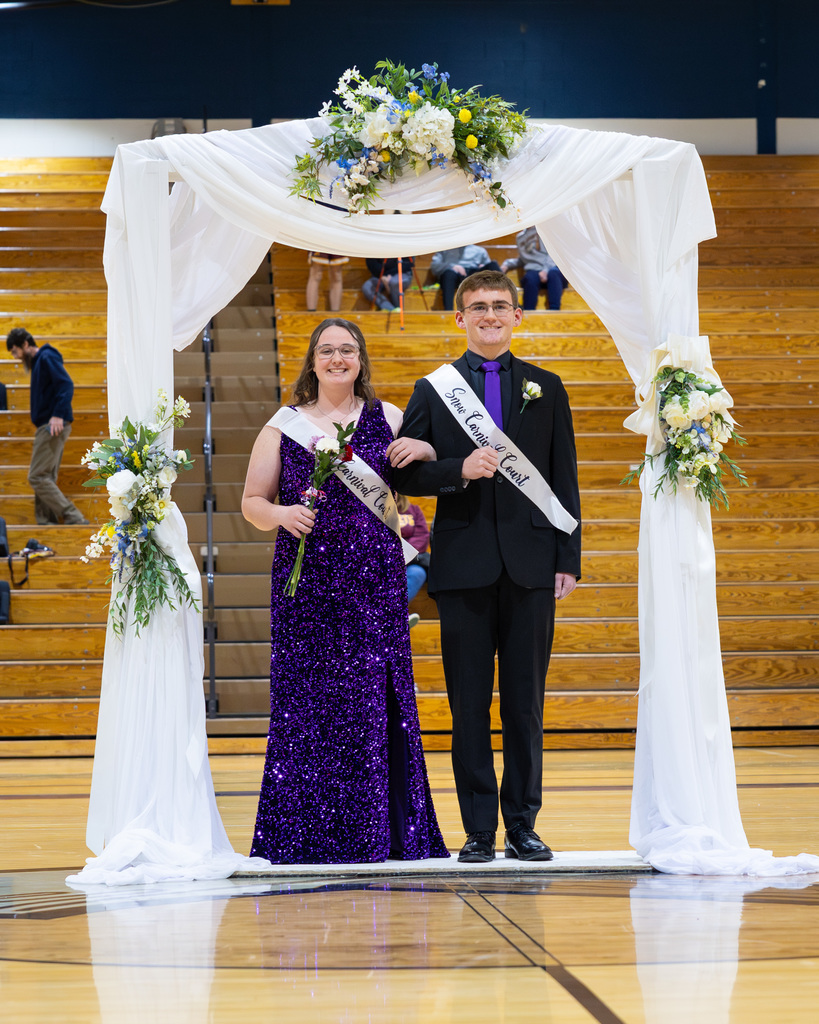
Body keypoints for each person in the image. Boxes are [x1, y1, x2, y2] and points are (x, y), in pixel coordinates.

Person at [241, 317, 449, 864]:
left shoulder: (391, 417)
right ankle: (302, 834)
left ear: (361, 360)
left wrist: (426, 453)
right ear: (312, 360)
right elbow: (251, 503)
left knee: (374, 703)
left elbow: (421, 472)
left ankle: (379, 833)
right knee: (306, 703)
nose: (337, 359)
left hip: (373, 585)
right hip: (305, 585)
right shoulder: (283, 426)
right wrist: (282, 514)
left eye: (348, 350)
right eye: (327, 350)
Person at [392, 270, 581, 864]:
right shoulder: (433, 388)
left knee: (525, 703)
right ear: (460, 318)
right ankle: (478, 829)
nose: (490, 316)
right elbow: (405, 473)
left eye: (501, 306)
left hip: (531, 565)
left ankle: (523, 824)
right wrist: (455, 469)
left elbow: (563, 478)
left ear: (518, 316)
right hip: (465, 564)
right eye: (478, 308)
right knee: (468, 701)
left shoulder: (547, 388)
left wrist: (567, 556)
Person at [6, 327, 88, 526]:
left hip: (51, 425)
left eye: (15, 351)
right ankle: (46, 523)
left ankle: (73, 516)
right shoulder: (40, 361)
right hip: (48, 425)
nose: (17, 357)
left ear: (25, 344)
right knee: (45, 476)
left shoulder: (46, 357)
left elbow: (66, 385)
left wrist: (57, 415)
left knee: (37, 476)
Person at [501, 226, 569, 310]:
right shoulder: (520, 237)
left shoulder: (545, 230)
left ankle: (554, 310)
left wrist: (545, 270)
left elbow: (554, 253)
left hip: (552, 268)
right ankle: (528, 312)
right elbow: (523, 259)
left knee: (553, 273)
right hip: (535, 271)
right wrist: (507, 264)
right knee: (530, 278)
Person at [429, 245, 500, 310]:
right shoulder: (444, 249)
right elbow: (434, 266)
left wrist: (483, 267)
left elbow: (487, 266)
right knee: (448, 274)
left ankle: (504, 304)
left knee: (493, 265)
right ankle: (448, 312)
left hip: (475, 275)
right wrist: (451, 266)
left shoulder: (480, 251)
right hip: (454, 275)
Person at [397, 493, 430, 628]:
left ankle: (395, 612)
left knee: (418, 573)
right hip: (381, 561)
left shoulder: (414, 510)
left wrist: (400, 556)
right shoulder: (371, 509)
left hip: (408, 562)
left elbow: (421, 537)